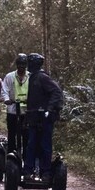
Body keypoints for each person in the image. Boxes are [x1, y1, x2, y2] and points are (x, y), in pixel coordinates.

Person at [23, 53, 63, 183]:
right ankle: (29, 171)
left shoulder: (42, 77)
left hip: (45, 119)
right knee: (31, 144)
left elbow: (57, 92)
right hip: (34, 118)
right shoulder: (33, 77)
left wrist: (49, 109)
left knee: (45, 145)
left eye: (29, 63)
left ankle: (45, 172)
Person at [2, 53, 30, 157]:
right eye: (19, 64)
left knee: (26, 135)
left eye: (23, 64)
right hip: (13, 110)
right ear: (16, 65)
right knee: (12, 134)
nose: (21, 66)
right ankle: (11, 156)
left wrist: (31, 101)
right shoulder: (10, 76)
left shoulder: (30, 76)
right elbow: (5, 90)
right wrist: (7, 99)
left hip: (26, 111)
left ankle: (26, 157)